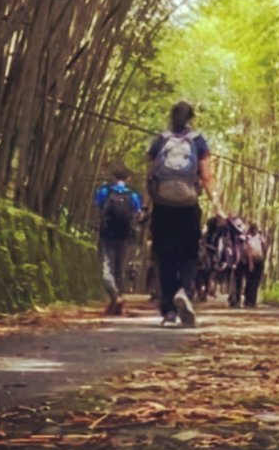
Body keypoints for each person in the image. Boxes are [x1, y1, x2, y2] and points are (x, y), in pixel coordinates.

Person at [146, 100, 221, 326]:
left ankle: (168, 309)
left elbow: (149, 176)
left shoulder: (160, 140)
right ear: (191, 118)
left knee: (165, 255)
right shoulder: (198, 141)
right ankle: (184, 292)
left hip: (162, 206)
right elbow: (206, 177)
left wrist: (145, 205)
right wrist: (218, 206)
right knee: (189, 254)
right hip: (188, 206)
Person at [94, 165, 143, 315]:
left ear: (113, 177)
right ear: (127, 179)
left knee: (106, 268)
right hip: (124, 236)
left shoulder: (104, 191)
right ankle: (118, 298)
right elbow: (138, 213)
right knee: (119, 270)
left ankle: (114, 296)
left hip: (107, 234)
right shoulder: (133, 195)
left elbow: (98, 206)